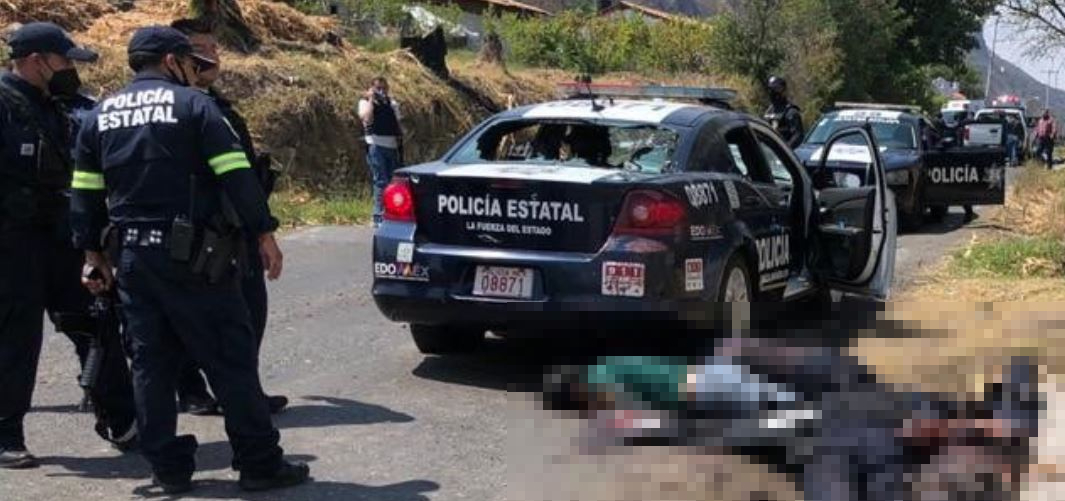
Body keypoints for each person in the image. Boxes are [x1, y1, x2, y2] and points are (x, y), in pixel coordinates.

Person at [69, 26, 308, 493]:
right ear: (173, 61)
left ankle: (167, 472)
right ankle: (259, 463)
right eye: (188, 62)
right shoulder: (196, 105)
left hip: (132, 257)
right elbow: (237, 174)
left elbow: (84, 193)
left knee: (151, 364)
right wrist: (264, 231)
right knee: (230, 356)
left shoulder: (98, 116)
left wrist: (92, 253)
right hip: (195, 257)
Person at [0, 21, 138, 470]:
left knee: (95, 323)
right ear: (37, 61)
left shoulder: (55, 106)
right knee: (16, 338)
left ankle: (123, 420)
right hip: (12, 243)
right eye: (63, 61)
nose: (69, 70)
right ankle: (6, 436)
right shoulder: (4, 104)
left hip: (60, 238)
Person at [169, 17, 287, 417]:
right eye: (205, 49)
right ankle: (193, 391)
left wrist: (260, 226)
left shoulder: (215, 103)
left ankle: (242, 390)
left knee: (249, 313)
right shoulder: (179, 108)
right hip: (200, 231)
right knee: (195, 319)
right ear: (182, 56)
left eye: (216, 49)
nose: (215, 56)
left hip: (236, 225)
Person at [358, 76, 403, 228]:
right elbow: (366, 118)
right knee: (380, 181)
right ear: (371, 88)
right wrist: (371, 100)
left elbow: (397, 123)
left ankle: (392, 215)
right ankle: (378, 217)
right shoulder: (364, 102)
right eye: (378, 88)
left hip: (391, 146)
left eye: (384, 88)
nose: (381, 91)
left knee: (393, 183)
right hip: (376, 145)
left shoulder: (391, 103)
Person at [763, 76, 804, 149]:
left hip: (786, 154)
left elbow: (798, 136)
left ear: (783, 90)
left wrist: (785, 150)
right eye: (771, 89)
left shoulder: (791, 111)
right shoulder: (769, 111)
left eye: (776, 89)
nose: (772, 92)